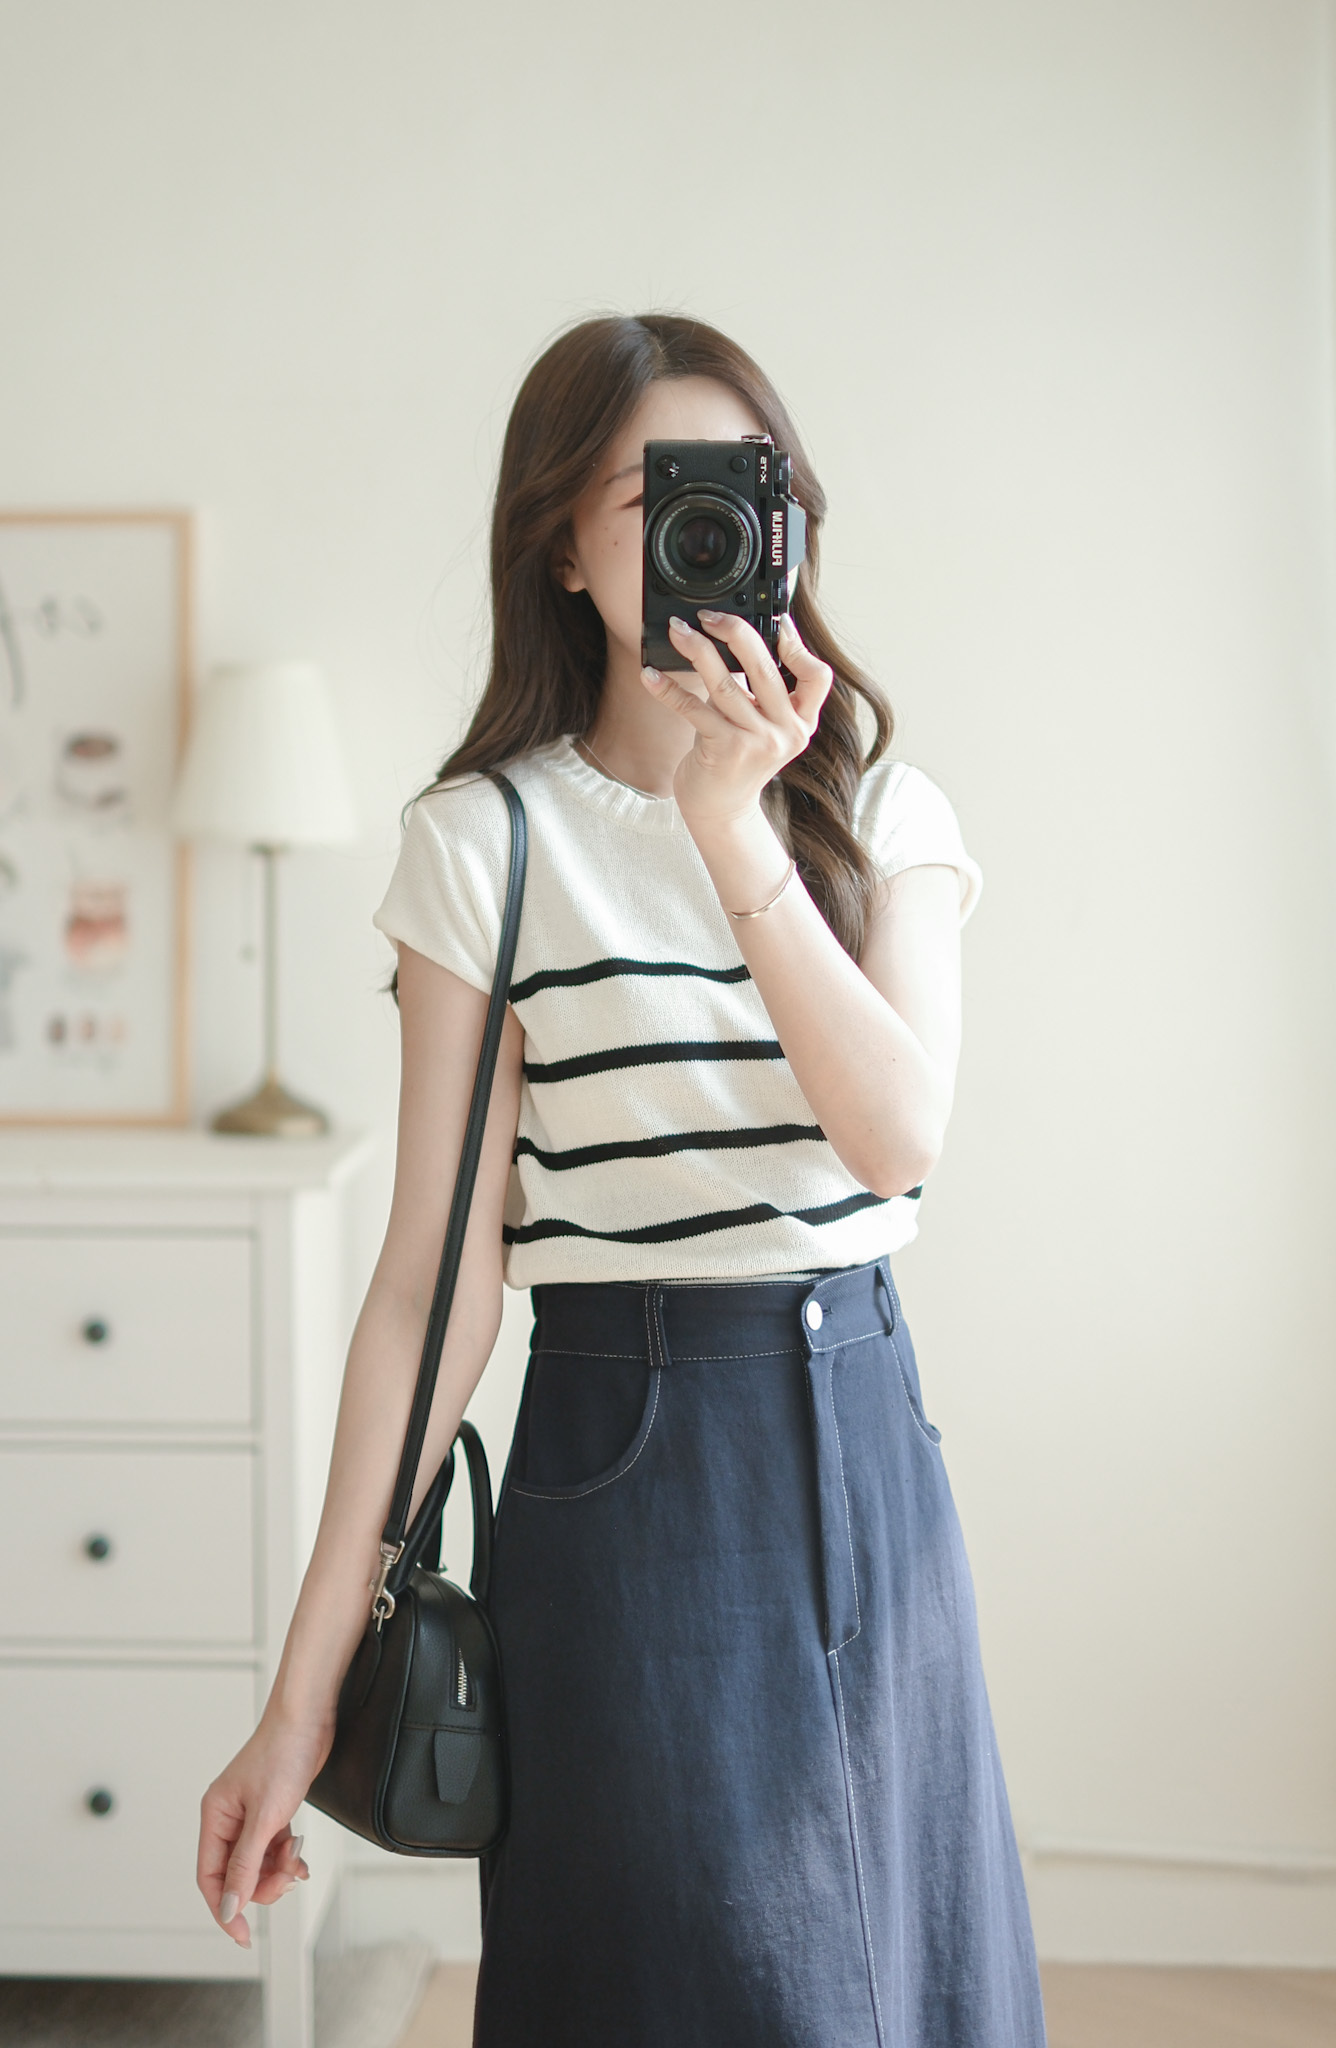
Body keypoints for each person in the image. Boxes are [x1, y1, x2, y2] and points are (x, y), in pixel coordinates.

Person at [197, 312, 1047, 2047]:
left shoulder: (880, 811)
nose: (703, 535)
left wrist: (735, 828)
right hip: (621, 1456)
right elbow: (429, 1290)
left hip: (863, 1430)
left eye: (738, 493)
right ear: (565, 552)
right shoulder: (485, 844)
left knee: (898, 1970)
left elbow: (896, 1138)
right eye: (651, 500)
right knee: (672, 1977)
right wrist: (303, 1692)